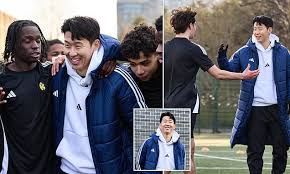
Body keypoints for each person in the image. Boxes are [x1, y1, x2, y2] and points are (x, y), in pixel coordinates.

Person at [164, 7, 260, 174]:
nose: (196, 27)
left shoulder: (164, 48)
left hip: (165, 104)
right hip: (186, 104)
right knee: (187, 152)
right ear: (190, 25)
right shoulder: (194, 49)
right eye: (195, 24)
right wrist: (243, 76)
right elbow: (218, 74)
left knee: (167, 150)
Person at [52, 16, 146, 174]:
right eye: (67, 45)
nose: (72, 53)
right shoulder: (57, 73)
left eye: (78, 46)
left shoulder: (118, 79)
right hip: (65, 170)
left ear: (95, 45)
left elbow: (144, 131)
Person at [217, 15, 290, 174]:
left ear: (269, 30)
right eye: (255, 28)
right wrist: (222, 57)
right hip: (255, 110)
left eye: (260, 28)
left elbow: (289, 78)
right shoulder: (244, 52)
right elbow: (229, 69)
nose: (256, 31)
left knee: (281, 150)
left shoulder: (283, 52)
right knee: (255, 151)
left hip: (278, 109)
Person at [0, 20, 56, 174]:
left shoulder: (50, 73)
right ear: (13, 44)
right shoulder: (3, 79)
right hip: (14, 167)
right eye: (28, 40)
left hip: (49, 167)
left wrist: (108, 61)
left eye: (38, 40)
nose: (35, 45)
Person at [121, 25, 162, 108]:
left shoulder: (171, 73)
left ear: (158, 54)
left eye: (145, 63)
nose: (139, 71)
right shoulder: (126, 78)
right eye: (133, 64)